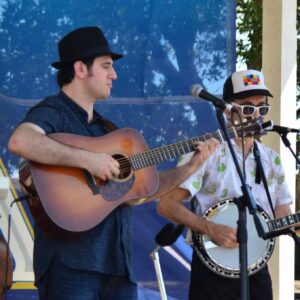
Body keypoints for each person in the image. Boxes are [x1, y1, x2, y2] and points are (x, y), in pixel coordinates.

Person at [7, 26, 218, 300]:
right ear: (81, 69)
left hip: (117, 266)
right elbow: (21, 141)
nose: (114, 75)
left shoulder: (108, 132)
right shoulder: (53, 112)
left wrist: (190, 168)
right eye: (106, 66)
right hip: (71, 265)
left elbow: (143, 193)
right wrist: (88, 159)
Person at [157, 69, 293, 300]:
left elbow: (282, 215)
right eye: (248, 108)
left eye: (262, 108)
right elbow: (166, 205)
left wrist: (292, 224)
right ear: (229, 111)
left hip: (257, 268)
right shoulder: (205, 152)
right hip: (211, 271)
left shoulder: (272, 160)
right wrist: (211, 228)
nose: (256, 115)